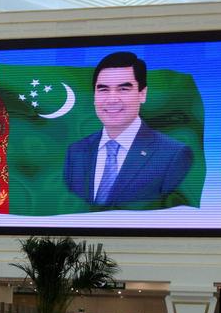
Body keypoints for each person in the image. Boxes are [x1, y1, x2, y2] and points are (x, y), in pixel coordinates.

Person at [63, 51, 193, 209]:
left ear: (142, 94)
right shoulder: (76, 152)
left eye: (123, 89)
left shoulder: (173, 154)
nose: (112, 99)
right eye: (103, 89)